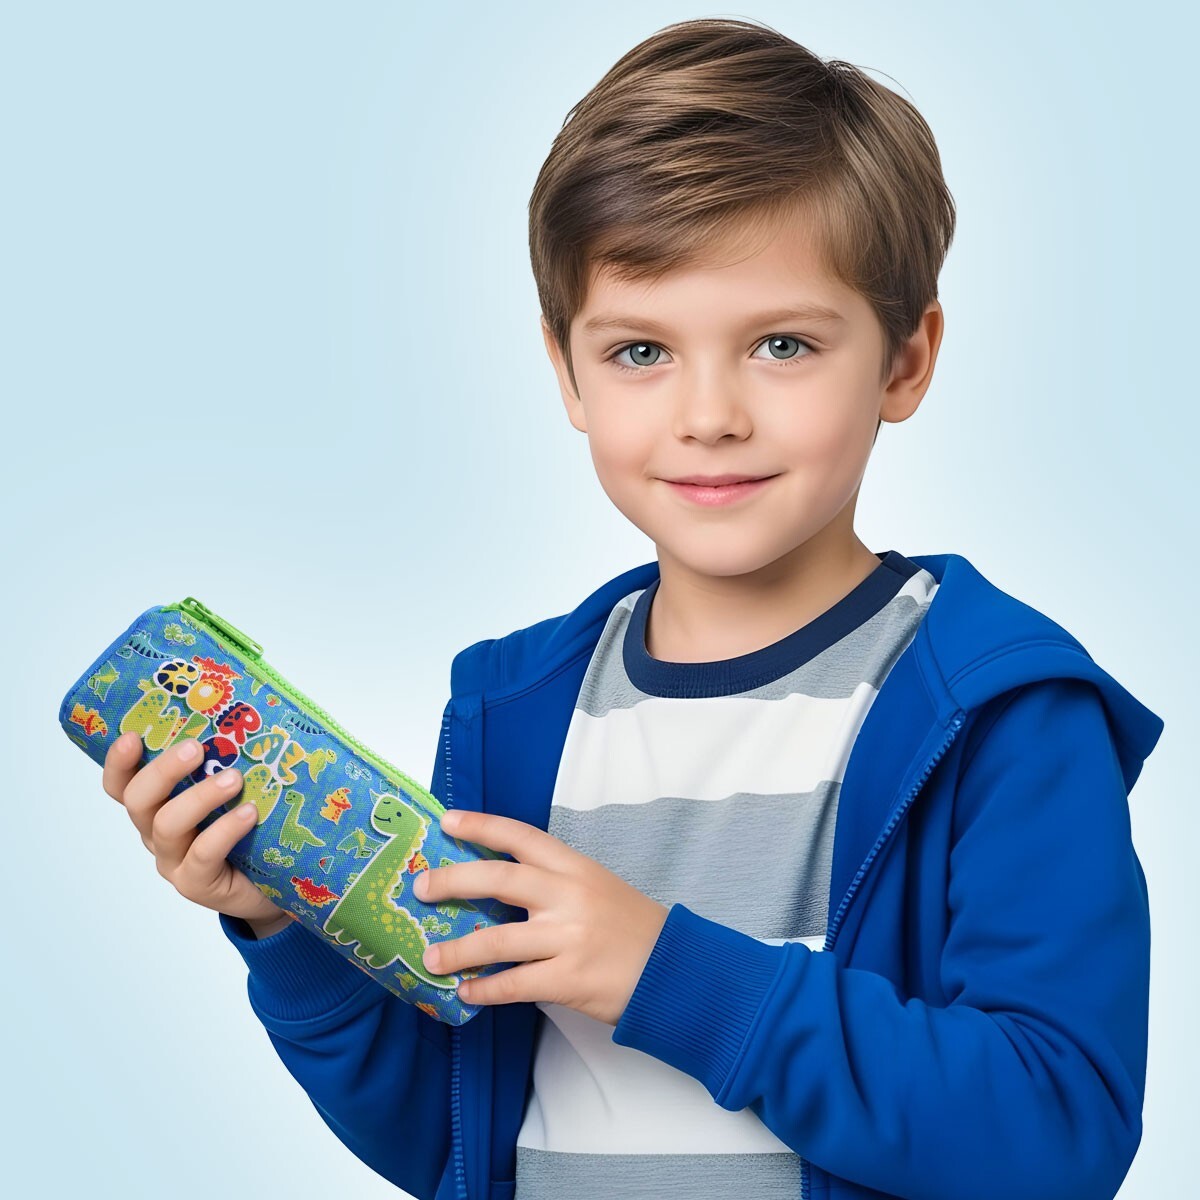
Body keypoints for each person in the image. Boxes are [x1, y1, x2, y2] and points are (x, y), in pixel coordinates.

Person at [101, 17, 1165, 1200]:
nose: (709, 416)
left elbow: (1057, 1133)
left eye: (781, 344)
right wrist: (288, 927)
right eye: (641, 353)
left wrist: (665, 973)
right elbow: (452, 1137)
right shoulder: (516, 712)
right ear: (566, 370)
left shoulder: (997, 710)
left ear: (905, 362)